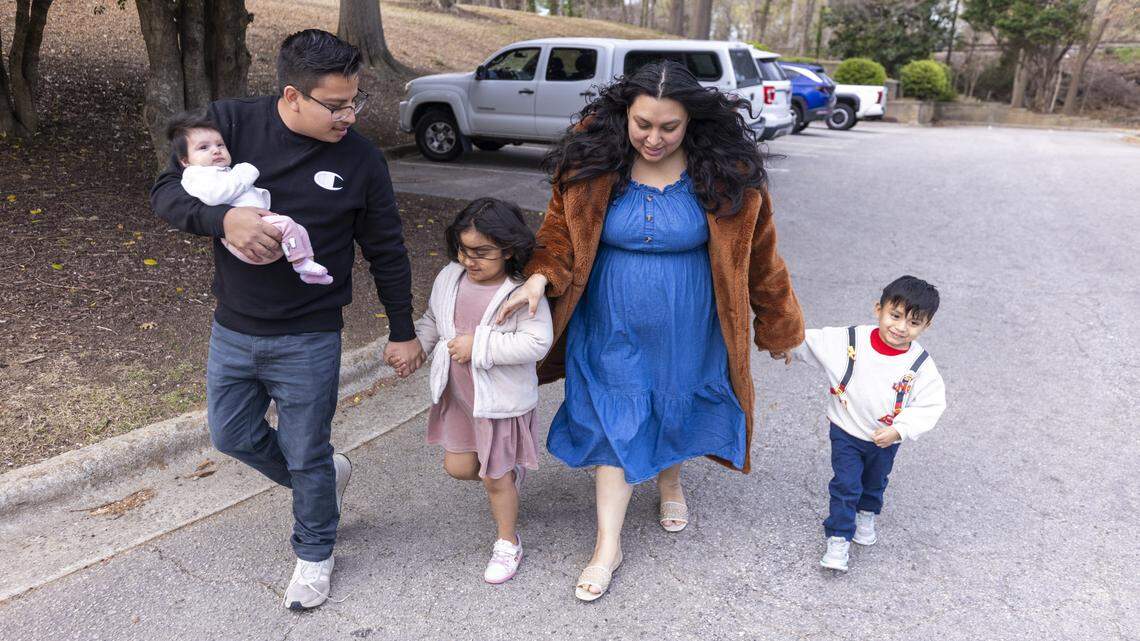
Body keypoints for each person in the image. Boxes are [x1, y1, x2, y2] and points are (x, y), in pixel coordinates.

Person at [497, 60, 805, 601]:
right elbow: (557, 233)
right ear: (624, 117)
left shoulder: (728, 174)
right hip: (607, 323)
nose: (654, 138)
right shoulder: (591, 166)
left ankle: (670, 479)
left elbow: (761, 257)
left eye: (669, 127)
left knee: (673, 404)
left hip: (691, 325)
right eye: (643, 125)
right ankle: (606, 546)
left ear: (691, 123)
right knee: (615, 416)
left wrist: (780, 326)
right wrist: (540, 277)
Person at [149, 29, 425, 611]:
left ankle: (315, 551)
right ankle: (324, 478)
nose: (349, 115)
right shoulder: (231, 124)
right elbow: (166, 190)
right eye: (336, 105)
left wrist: (402, 329)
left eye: (356, 101)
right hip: (235, 326)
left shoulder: (362, 159)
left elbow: (386, 248)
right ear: (293, 95)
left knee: (304, 450)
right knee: (232, 436)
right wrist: (222, 222)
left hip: (310, 333)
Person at [401, 198, 553, 585]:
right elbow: (435, 318)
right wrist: (418, 346)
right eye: (464, 251)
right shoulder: (449, 277)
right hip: (460, 397)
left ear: (508, 248)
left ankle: (508, 541)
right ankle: (510, 476)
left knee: (493, 479)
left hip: (499, 403)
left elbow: (537, 343)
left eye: (482, 252)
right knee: (460, 468)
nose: (471, 261)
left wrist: (480, 345)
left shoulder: (518, 292)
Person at [776, 275, 946, 572]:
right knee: (845, 484)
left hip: (885, 437)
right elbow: (811, 342)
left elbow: (932, 403)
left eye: (914, 323)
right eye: (895, 316)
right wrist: (788, 346)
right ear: (878, 309)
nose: (901, 328)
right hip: (846, 430)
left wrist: (899, 430)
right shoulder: (850, 340)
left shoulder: (920, 365)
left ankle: (867, 513)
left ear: (926, 326)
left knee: (875, 480)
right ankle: (839, 537)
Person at [168, 111, 333, 285]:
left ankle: (308, 265)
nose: (216, 150)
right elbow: (215, 196)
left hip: (259, 229)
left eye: (220, 145)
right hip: (245, 240)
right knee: (287, 225)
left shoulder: (219, 171)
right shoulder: (196, 175)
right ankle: (300, 263)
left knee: (298, 229)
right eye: (204, 148)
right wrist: (245, 173)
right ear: (185, 161)